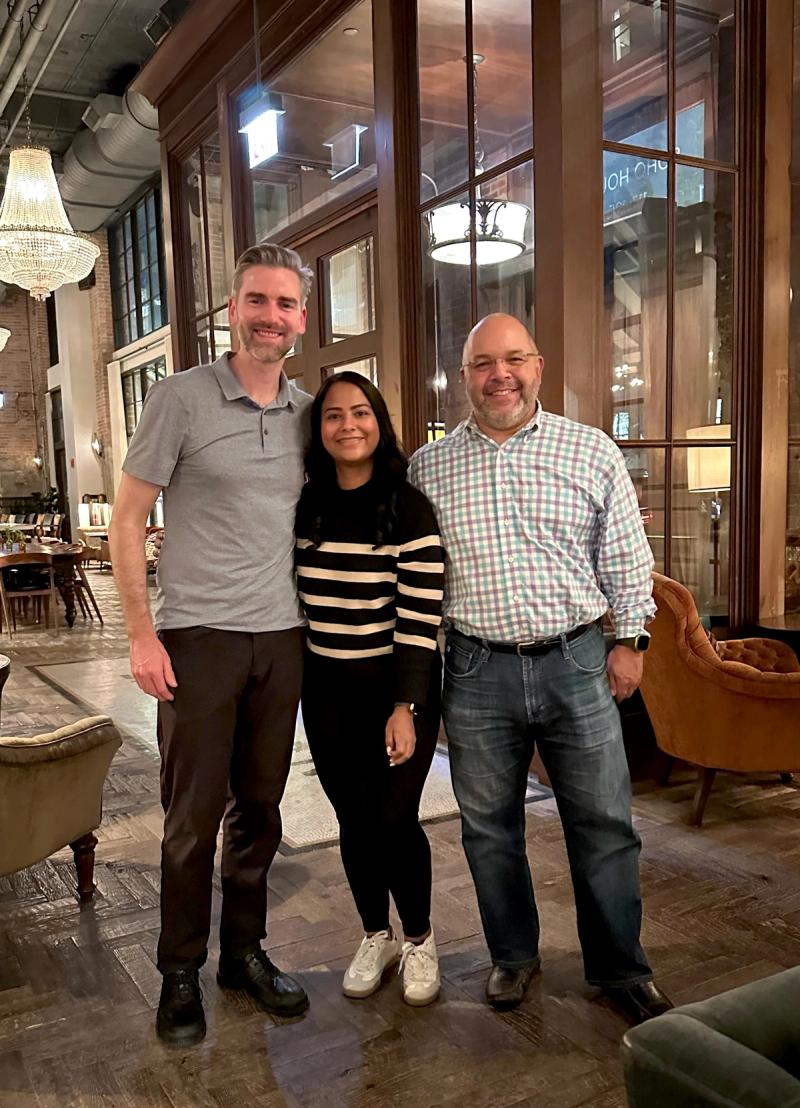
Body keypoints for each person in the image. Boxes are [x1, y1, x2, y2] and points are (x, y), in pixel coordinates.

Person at [408, 313, 673, 1024]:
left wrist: (632, 642)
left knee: (604, 823)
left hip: (577, 661)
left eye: (514, 359)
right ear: (464, 378)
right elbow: (413, 577)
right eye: (484, 363)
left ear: (539, 366)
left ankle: (620, 967)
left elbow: (626, 559)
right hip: (473, 670)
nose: (501, 374)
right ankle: (513, 958)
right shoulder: (427, 468)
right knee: (489, 828)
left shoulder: (590, 452)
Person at [109, 244, 313, 1046]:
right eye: (258, 300)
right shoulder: (179, 397)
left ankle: (245, 955)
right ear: (233, 309)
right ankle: (179, 972)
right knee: (193, 817)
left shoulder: (307, 411)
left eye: (287, 303)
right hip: (198, 639)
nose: (272, 316)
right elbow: (128, 522)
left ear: (302, 317)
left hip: (283, 639)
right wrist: (140, 634)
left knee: (261, 811)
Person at [295, 371, 444, 1007]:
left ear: (379, 423)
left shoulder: (408, 506)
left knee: (394, 818)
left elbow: (420, 616)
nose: (347, 425)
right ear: (319, 429)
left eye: (360, 412)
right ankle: (374, 933)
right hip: (326, 690)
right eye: (333, 415)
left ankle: (419, 936)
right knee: (353, 820)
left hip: (397, 688)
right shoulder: (307, 505)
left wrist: (405, 707)